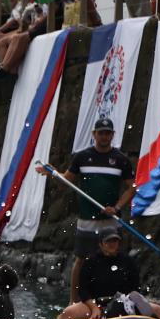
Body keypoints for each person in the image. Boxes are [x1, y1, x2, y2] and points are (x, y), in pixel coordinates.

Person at [37, 117, 135, 302]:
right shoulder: (82, 158)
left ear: (113, 135)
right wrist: (53, 173)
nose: (104, 136)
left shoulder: (121, 160)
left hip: (110, 221)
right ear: (94, 134)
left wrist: (117, 207)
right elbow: (66, 181)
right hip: (87, 219)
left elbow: (132, 188)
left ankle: (120, 300)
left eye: (108, 133)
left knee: (116, 260)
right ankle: (74, 302)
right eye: (101, 133)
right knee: (81, 260)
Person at [51, 227, 160, 319]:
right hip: (96, 303)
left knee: (159, 310)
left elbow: (135, 287)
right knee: (67, 313)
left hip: (125, 302)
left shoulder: (128, 261)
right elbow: (83, 290)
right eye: (108, 241)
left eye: (115, 241)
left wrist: (131, 300)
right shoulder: (90, 261)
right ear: (101, 244)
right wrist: (94, 307)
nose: (112, 244)